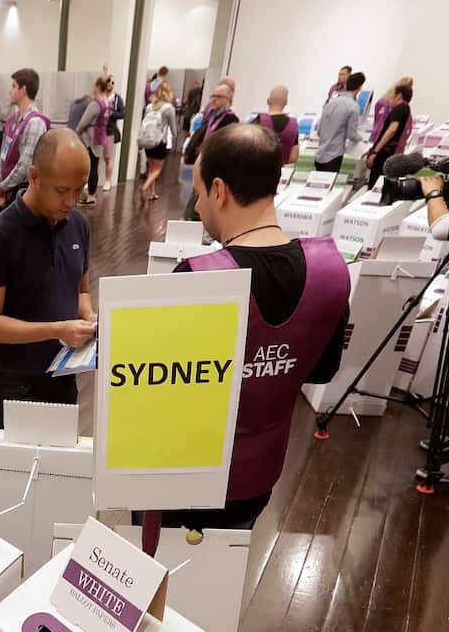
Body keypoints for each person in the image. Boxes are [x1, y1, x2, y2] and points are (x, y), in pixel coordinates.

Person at [159, 125, 349, 530]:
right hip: (260, 473)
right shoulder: (330, 274)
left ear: (220, 191)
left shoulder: (198, 277)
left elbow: (158, 391)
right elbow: (320, 371)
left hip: (186, 476)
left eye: (199, 192)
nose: (197, 208)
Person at [0, 128, 95, 429]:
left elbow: (80, 290)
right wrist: (56, 329)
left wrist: (90, 316)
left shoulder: (78, 225)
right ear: (35, 176)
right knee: (13, 475)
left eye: (79, 190)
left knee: (60, 473)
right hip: (16, 385)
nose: (71, 201)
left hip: (64, 379)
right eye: (62, 190)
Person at [182, 83, 239, 220]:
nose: (214, 99)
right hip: (205, 161)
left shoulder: (230, 119)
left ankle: (194, 219)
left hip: (215, 166)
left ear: (228, 99)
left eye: (218, 96)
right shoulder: (212, 115)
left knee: (203, 196)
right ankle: (190, 219)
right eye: (213, 96)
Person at [0, 68, 49, 208]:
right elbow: (3, 155)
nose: (10, 91)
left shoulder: (35, 123)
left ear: (23, 90)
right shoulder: (12, 120)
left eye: (13, 86)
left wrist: (2, 186)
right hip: (7, 192)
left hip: (21, 195)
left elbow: (25, 166)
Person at [315, 71, 366, 173]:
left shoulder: (330, 102)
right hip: (334, 156)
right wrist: (362, 139)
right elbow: (351, 135)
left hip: (319, 155)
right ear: (360, 87)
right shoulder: (353, 106)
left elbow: (319, 130)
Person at [367, 82, 413, 188]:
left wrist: (375, 151)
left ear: (399, 96)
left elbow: (391, 130)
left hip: (385, 154)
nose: (391, 98)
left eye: (394, 95)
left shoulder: (399, 109)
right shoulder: (406, 110)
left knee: (375, 185)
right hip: (391, 153)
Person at [74, 77, 111, 206]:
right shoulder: (106, 102)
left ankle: (90, 196)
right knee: (95, 164)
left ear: (98, 87)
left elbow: (85, 120)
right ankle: (92, 194)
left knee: (91, 166)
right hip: (100, 136)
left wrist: (77, 131)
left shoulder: (96, 103)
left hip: (90, 138)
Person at [138, 81, 177, 201]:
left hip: (148, 141)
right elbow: (173, 128)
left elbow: (144, 123)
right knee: (157, 169)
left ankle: (152, 193)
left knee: (151, 168)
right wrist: (175, 136)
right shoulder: (169, 108)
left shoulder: (150, 106)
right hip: (160, 142)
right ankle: (145, 187)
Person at [254, 85, 300, 166]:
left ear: (268, 101)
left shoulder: (258, 121)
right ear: (286, 102)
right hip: (279, 172)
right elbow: (293, 158)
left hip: (259, 170)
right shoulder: (293, 125)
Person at [371, 78, 415, 150]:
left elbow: (376, 120)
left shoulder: (382, 100)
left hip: (377, 135)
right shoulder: (399, 107)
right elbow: (393, 129)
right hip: (386, 141)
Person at [103, 76, 125, 191]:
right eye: (109, 82)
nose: (110, 84)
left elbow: (122, 113)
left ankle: (108, 180)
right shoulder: (101, 96)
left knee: (108, 157)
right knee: (94, 156)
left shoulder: (117, 99)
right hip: (98, 129)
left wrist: (111, 113)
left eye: (113, 82)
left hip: (109, 130)